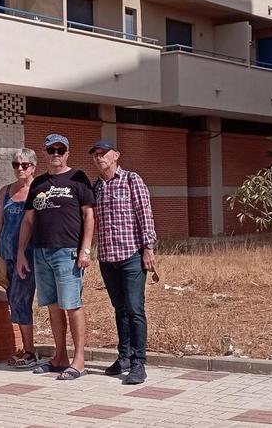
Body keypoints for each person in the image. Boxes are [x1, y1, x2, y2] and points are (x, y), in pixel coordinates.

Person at [16, 133, 94, 381]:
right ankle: (59, 356)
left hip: (67, 252)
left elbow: (89, 216)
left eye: (60, 150)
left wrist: (86, 249)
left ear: (68, 152)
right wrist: (21, 253)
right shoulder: (38, 183)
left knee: (72, 305)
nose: (56, 154)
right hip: (41, 252)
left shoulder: (78, 179)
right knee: (53, 306)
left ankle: (78, 360)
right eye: (51, 150)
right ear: (46, 153)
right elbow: (28, 220)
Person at [90, 140, 157, 385]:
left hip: (131, 256)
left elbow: (144, 214)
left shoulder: (131, 180)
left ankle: (139, 362)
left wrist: (148, 248)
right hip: (107, 258)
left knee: (135, 309)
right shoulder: (96, 186)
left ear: (116, 155)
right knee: (119, 309)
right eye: (95, 155)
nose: (99, 158)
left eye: (103, 153)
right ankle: (124, 356)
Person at [0, 149, 38, 368]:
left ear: (34, 167)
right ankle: (24, 347)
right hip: (6, 256)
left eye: (24, 165)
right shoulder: (5, 191)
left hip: (27, 257)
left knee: (20, 300)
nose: (20, 169)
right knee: (13, 300)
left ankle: (30, 351)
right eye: (16, 165)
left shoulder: (38, 190)